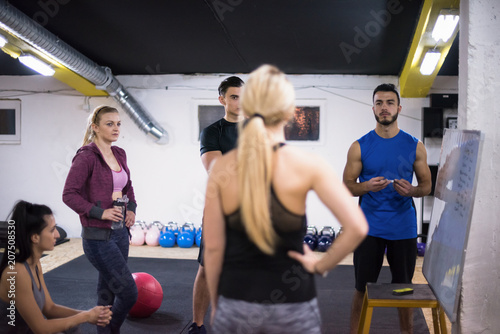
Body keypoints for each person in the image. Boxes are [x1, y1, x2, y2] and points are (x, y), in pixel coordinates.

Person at [203, 64, 368, 333]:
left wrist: (217, 304)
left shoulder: (222, 168)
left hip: (236, 305)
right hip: (294, 307)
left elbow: (212, 248)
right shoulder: (308, 164)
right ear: (291, 112)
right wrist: (320, 265)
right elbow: (357, 228)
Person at [342, 83, 432, 334]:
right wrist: (367, 186)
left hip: (403, 227)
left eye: (389, 102)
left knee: (404, 287)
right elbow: (347, 187)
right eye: (379, 103)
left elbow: (426, 186)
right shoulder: (359, 146)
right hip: (368, 228)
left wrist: (412, 191)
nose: (384, 108)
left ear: (399, 108)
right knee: (362, 287)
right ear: (373, 108)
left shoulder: (414, 146)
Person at [63, 106, 138, 333]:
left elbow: (127, 186)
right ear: (95, 127)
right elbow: (69, 195)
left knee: (107, 292)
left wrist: (132, 209)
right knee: (128, 292)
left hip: (120, 234)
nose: (116, 128)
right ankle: (111, 329)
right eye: (109, 123)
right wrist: (100, 212)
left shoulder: (120, 154)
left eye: (118, 124)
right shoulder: (86, 157)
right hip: (98, 237)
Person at [0, 200, 112, 333]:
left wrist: (88, 314)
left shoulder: (34, 264)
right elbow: (41, 328)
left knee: (73, 326)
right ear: (35, 237)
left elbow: (49, 309)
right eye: (52, 230)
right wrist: (85, 316)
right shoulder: (17, 272)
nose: (58, 235)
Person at [189, 76, 244, 334]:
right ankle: (198, 325)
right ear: (222, 99)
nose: (240, 101)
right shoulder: (212, 132)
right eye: (234, 96)